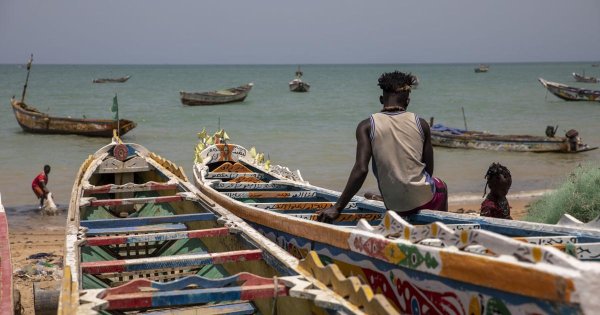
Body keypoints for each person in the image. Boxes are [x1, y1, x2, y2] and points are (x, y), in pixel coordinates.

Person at [317, 71, 447, 223]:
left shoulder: (366, 126)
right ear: (408, 101)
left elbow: (361, 170)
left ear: (381, 99)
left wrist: (338, 207)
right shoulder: (421, 123)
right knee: (441, 185)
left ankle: (391, 201)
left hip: (394, 204)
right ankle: (440, 225)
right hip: (425, 200)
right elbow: (428, 170)